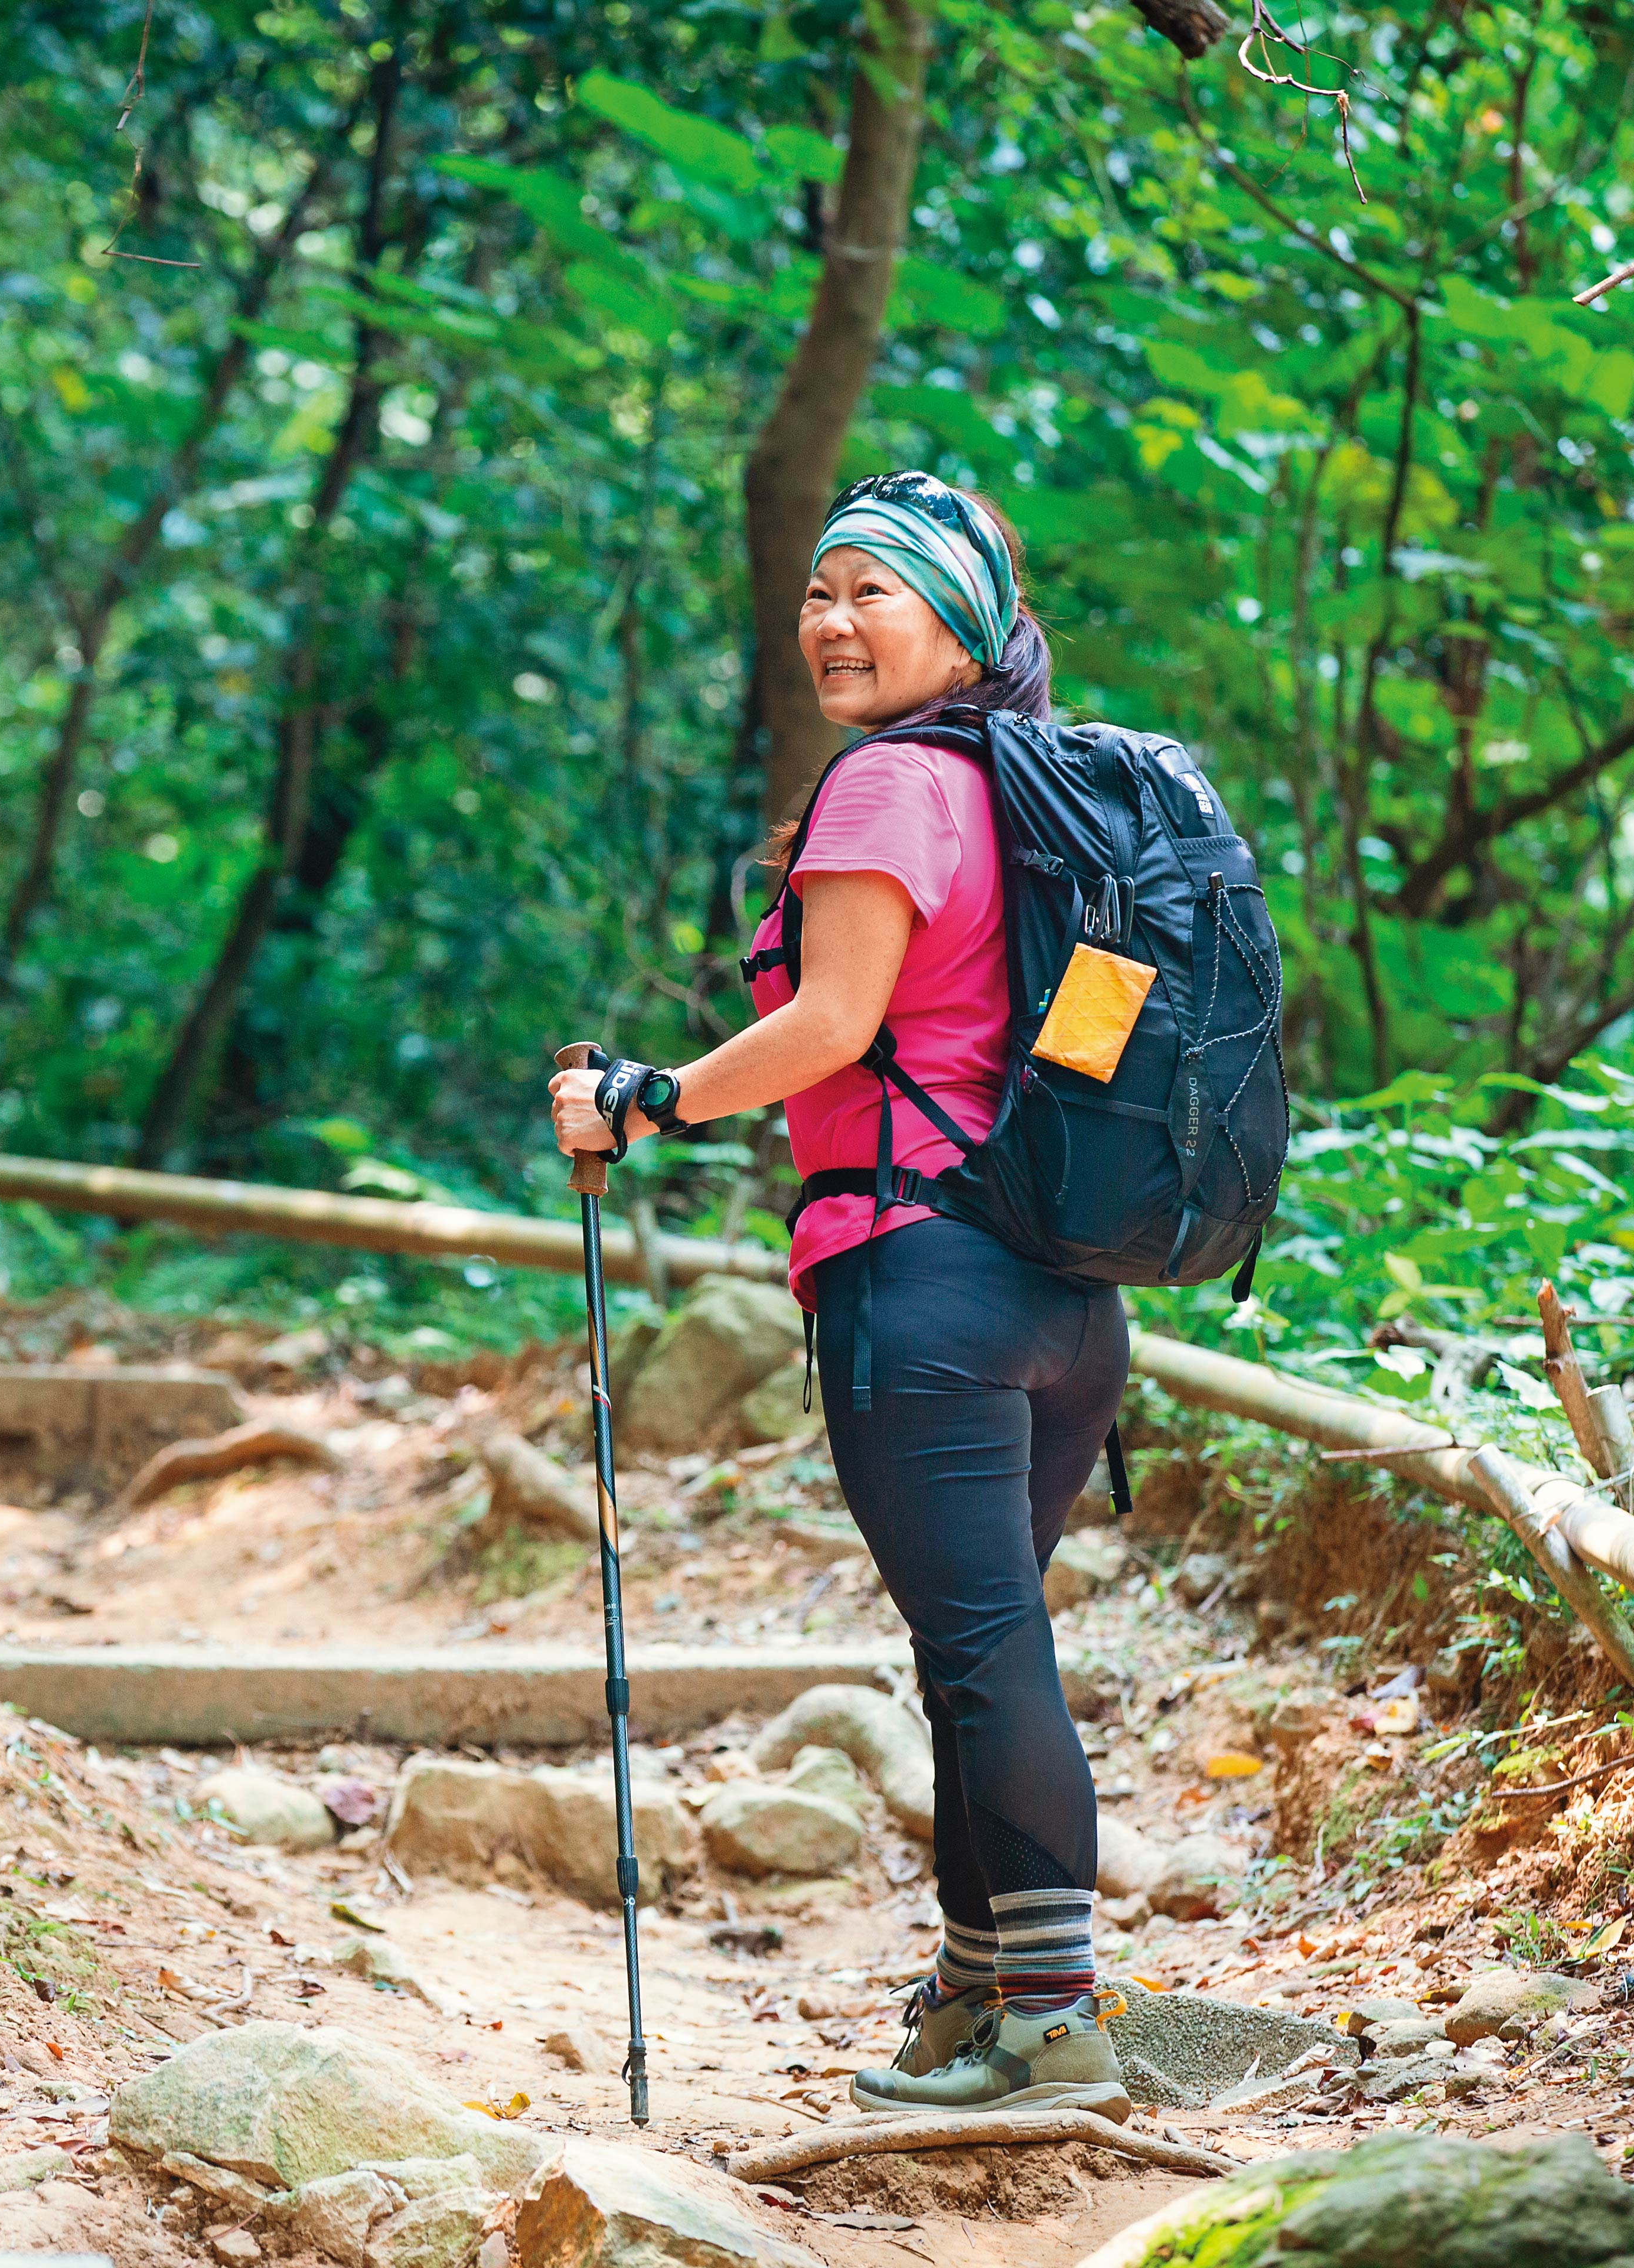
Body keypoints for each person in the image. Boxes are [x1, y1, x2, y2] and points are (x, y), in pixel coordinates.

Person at [546, 469, 1128, 2116]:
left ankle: (1061, 2019)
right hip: (1065, 1297)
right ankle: (977, 1980)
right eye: (820, 592)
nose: (831, 621)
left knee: (981, 1648)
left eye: (874, 589)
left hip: (919, 1278)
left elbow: (836, 1027)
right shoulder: (1047, 790)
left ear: (958, 614)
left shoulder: (886, 789)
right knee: (982, 1648)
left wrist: (650, 1098)